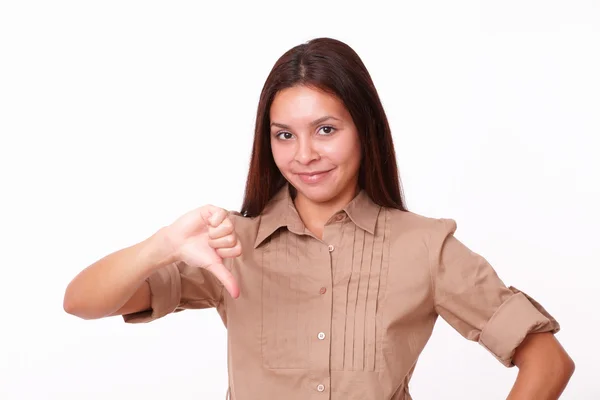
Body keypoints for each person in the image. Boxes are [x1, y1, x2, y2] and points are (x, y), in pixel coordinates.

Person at [63, 37, 574, 399]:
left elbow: (549, 361)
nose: (304, 154)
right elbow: (81, 302)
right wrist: (163, 245)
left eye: (325, 130)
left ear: (364, 128)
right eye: (284, 134)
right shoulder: (229, 246)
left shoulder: (424, 246)